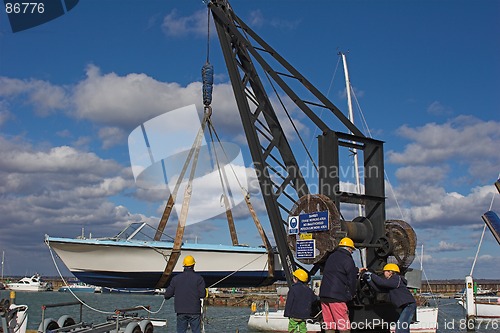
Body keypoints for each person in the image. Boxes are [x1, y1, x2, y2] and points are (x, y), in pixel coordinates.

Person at [319, 237, 360, 333]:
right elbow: (351, 279)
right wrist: (351, 294)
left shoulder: (331, 257)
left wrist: (356, 270)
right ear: (349, 249)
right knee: (343, 326)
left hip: (324, 296)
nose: (351, 253)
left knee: (329, 325)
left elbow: (337, 270)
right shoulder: (347, 259)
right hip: (337, 297)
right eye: (352, 251)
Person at [363, 263, 416, 333]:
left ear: (390, 272)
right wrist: (369, 280)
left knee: (401, 328)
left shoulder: (396, 278)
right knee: (403, 327)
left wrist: (371, 275)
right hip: (407, 306)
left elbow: (381, 283)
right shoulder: (391, 283)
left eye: (384, 272)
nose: (383, 274)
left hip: (409, 305)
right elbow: (379, 289)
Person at [164, 255, 206, 333]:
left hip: (181, 311)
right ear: (193, 265)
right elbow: (202, 294)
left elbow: (167, 295)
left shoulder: (176, 279)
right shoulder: (199, 279)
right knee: (196, 331)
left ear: (184, 265)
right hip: (194, 311)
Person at [283, 268, 319, 333]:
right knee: (303, 328)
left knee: (292, 328)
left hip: (294, 315)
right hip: (304, 315)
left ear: (296, 279)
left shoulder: (293, 289)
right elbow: (314, 299)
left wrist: (287, 313)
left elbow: (289, 302)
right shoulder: (309, 290)